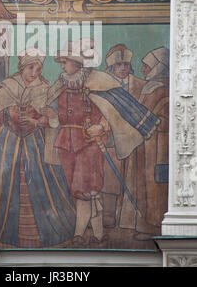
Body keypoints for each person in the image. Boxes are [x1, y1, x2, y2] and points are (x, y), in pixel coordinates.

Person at [47, 40, 161, 247]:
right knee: (81, 191)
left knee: (86, 189)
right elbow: (54, 113)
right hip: (66, 143)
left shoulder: (98, 83)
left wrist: (102, 126)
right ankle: (99, 234)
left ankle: (79, 234)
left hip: (90, 144)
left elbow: (111, 113)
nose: (62, 66)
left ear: (76, 63)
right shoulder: (61, 86)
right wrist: (49, 116)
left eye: (65, 62)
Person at [0, 49, 75, 248]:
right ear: (21, 67)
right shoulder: (8, 88)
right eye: (30, 67)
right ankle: (6, 232)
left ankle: (46, 232)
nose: (34, 72)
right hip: (8, 143)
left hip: (35, 142)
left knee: (40, 181)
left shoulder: (45, 88)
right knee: (7, 184)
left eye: (38, 68)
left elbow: (54, 118)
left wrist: (41, 120)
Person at [120, 47, 169, 240]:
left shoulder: (164, 88)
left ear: (159, 67)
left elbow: (169, 119)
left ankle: (154, 226)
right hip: (144, 145)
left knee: (154, 185)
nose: (143, 69)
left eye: (147, 66)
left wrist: (155, 123)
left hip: (157, 148)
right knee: (142, 184)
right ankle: (144, 225)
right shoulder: (149, 87)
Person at [103, 44, 145, 228]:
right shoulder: (103, 85)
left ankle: (130, 220)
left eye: (125, 65)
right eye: (118, 65)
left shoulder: (140, 85)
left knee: (132, 181)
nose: (122, 68)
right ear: (112, 67)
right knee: (110, 181)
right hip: (111, 141)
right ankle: (108, 218)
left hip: (134, 143)